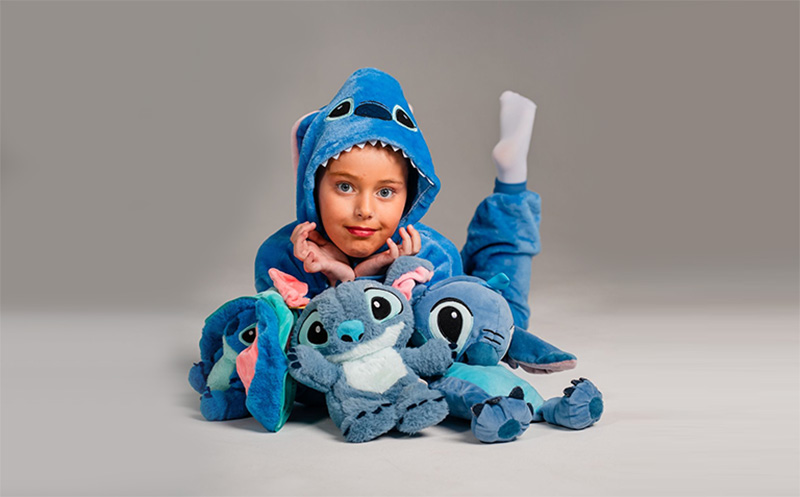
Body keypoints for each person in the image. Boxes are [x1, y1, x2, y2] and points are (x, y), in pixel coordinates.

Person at [255, 68, 542, 332]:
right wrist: (342, 276)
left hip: (451, 282)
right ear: (312, 187)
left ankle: (511, 180)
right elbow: (303, 347)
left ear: (409, 196)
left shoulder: (431, 255)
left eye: (385, 192)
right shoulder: (282, 257)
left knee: (505, 319)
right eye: (345, 186)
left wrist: (384, 272)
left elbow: (437, 345)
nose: (365, 210)